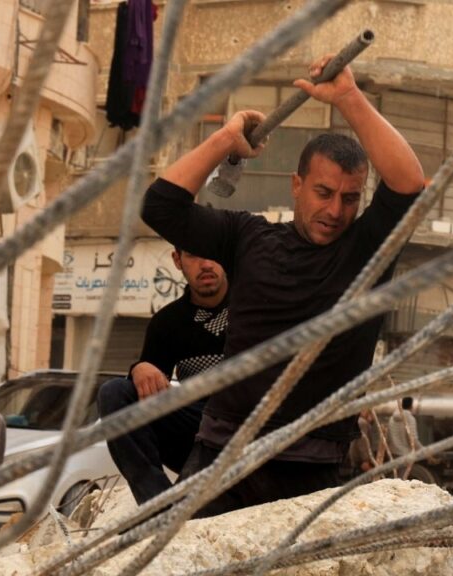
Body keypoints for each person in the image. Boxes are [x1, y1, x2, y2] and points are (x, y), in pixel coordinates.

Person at [141, 56, 425, 516]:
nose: (335, 210)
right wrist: (223, 140)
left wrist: (349, 98)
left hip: (309, 465)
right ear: (297, 185)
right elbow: (161, 207)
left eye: (350, 198)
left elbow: (409, 183)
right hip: (223, 454)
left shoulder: (369, 249)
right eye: (323, 193)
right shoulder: (247, 236)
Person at [97, 248, 229, 505]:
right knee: (114, 392)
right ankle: (158, 508)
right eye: (193, 256)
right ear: (177, 261)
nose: (206, 263)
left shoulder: (256, 305)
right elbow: (148, 393)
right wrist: (141, 368)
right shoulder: (168, 323)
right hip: (198, 430)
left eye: (214, 251)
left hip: (253, 426)